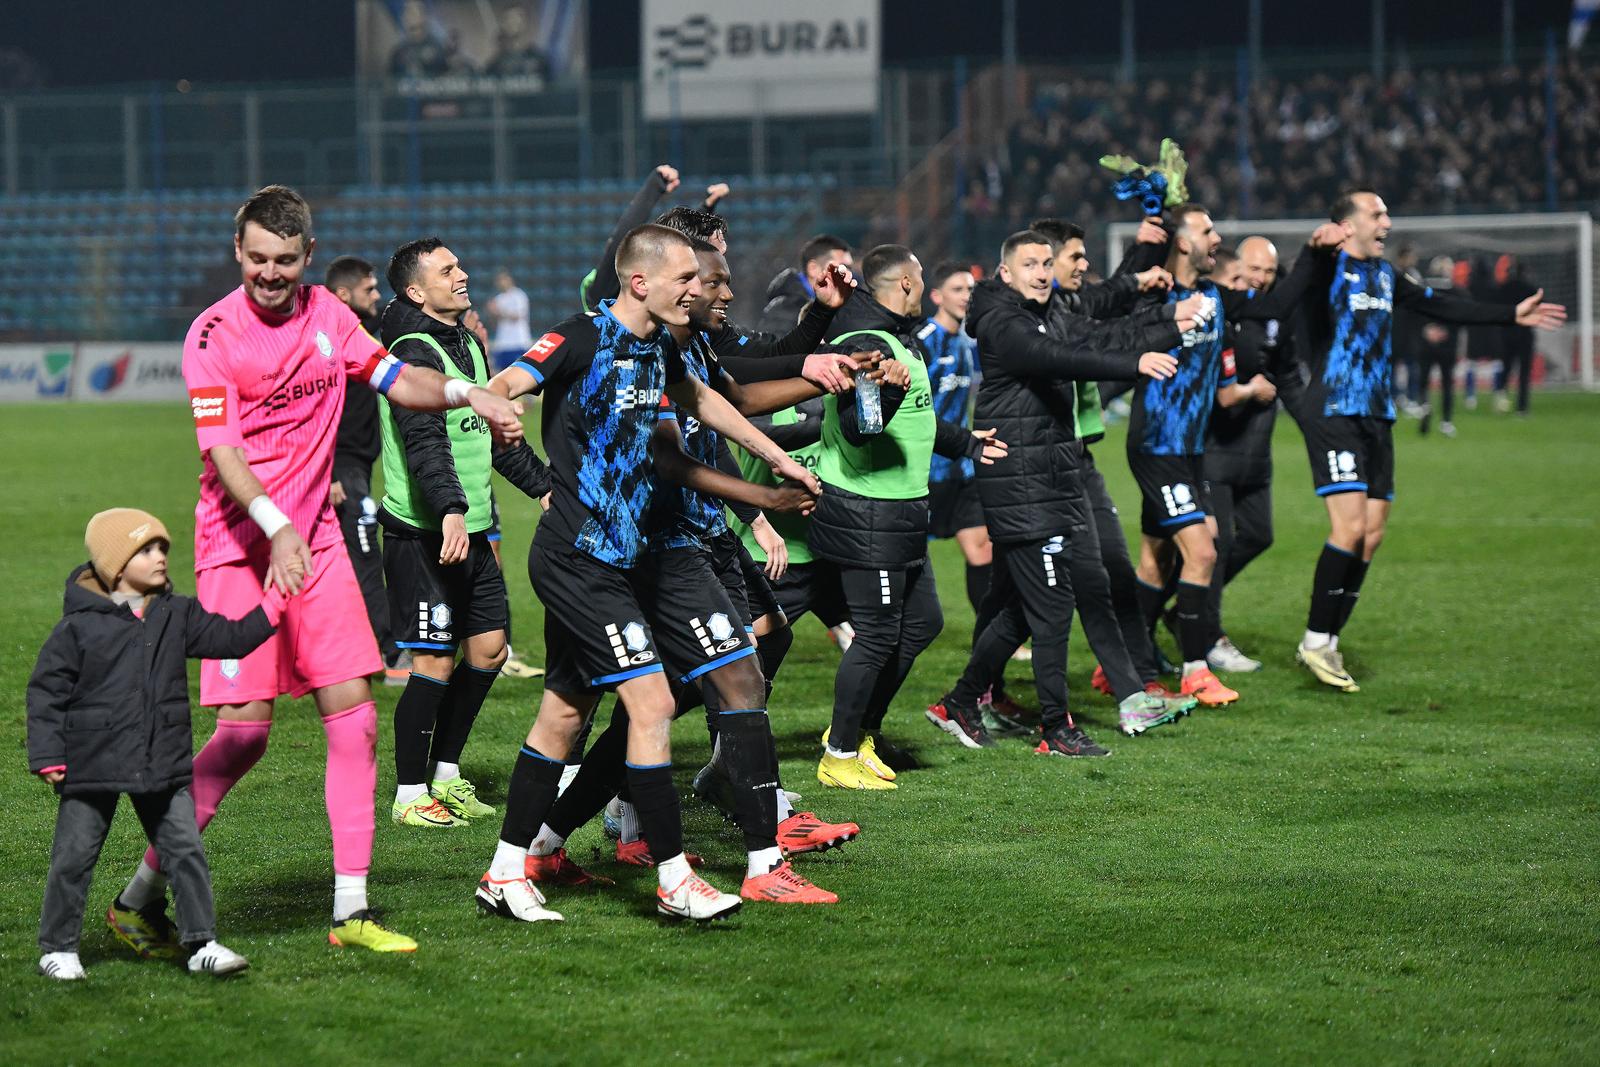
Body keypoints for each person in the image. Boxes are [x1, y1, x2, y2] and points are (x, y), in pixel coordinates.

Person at [110, 185, 525, 956]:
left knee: (355, 715)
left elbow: (399, 379)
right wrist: (275, 527)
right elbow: (223, 453)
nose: (268, 274)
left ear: (306, 258)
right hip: (241, 549)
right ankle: (139, 894)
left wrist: (472, 392)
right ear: (239, 252)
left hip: (319, 544)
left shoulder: (332, 318)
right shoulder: (210, 337)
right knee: (243, 736)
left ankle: (350, 912)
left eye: (283, 262)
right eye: (255, 259)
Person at [477, 224, 823, 923]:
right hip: (579, 559)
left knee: (563, 715)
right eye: (685, 279)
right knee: (655, 703)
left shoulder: (661, 346)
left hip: (621, 560)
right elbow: (514, 378)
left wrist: (777, 457)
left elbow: (702, 400)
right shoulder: (580, 336)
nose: (697, 290)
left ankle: (508, 867)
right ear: (639, 282)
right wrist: (497, 399)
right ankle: (671, 877)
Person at [1290, 190, 1565, 691]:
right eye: (1377, 214)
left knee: (1371, 535)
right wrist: (1314, 250)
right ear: (1347, 225)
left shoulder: (1386, 276)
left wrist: (1509, 315)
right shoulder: (1326, 272)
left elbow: (1442, 306)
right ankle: (1314, 640)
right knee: (1348, 529)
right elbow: (1293, 297)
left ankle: (1328, 637)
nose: (1387, 222)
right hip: (1333, 410)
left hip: (1377, 414)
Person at [927, 231, 1179, 757]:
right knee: (1053, 608)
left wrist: (1163, 325)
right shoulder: (1002, 321)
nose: (1042, 272)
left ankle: (962, 700)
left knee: (1024, 606)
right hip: (1021, 483)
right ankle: (1056, 729)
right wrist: (1135, 362)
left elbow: (1090, 336)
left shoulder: (1039, 311)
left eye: (1047, 263)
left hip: (1048, 478)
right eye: (1030, 264)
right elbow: (1054, 356)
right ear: (1005, 273)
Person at [29, 510, 279, 980]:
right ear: (116, 565)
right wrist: (48, 755)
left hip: (159, 758)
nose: (161, 556)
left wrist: (275, 604)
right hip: (92, 761)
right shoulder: (78, 627)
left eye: (162, 547)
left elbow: (232, 637)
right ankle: (57, 948)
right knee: (74, 857)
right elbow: (46, 693)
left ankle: (201, 943)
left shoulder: (176, 613)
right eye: (146, 549)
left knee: (185, 851)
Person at [1124, 204, 1333, 708]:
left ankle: (1123, 665)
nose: (1217, 236)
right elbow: (1107, 311)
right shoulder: (1152, 293)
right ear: (1180, 241)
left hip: (1191, 452)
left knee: (1156, 563)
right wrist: (1142, 246)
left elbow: (1277, 301)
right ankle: (1196, 669)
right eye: (1207, 229)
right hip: (1158, 444)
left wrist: (1312, 255)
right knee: (1205, 549)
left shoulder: (1216, 298)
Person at [810, 246, 1003, 788]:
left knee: (923, 623)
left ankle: (858, 732)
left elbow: (917, 416)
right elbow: (861, 427)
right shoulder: (864, 344)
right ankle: (840, 753)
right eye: (919, 280)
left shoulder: (898, 339)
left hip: (901, 512)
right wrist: (885, 389)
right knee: (875, 636)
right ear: (906, 285)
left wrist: (967, 443)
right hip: (869, 511)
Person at [377, 239, 552, 829]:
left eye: (459, 265)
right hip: (424, 531)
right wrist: (450, 507)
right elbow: (424, 440)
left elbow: (492, 435)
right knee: (433, 663)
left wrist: (544, 486)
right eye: (446, 270)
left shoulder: (470, 344)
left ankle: (446, 774)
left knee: (488, 650)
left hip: (469, 528)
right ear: (415, 291)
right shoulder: (411, 349)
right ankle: (407, 793)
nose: (462, 274)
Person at [1200, 236, 1305, 673]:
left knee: (1258, 535)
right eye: (1254, 270)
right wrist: (1247, 390)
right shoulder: (1225, 313)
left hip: (1256, 451)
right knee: (1216, 544)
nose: (1261, 279)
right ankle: (1207, 633)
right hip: (1215, 447)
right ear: (1236, 269)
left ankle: (1186, 608)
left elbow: (1289, 377)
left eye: (1268, 272)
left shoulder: (1275, 319)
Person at [324, 256, 401, 682]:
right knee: (365, 556)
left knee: (339, 563)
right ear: (343, 295)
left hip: (355, 466)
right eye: (369, 290)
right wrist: (329, 470)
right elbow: (316, 410)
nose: (376, 296)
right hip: (341, 469)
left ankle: (337, 655)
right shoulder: (329, 344)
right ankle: (392, 656)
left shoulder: (359, 337)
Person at [919, 262, 990, 618]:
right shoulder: (923, 343)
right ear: (936, 296)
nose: (966, 296)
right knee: (907, 557)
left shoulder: (967, 341)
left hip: (962, 466)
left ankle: (989, 634)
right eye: (958, 290)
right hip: (924, 471)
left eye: (970, 290)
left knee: (981, 549)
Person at [759, 234, 854, 334]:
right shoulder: (785, 311)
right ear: (813, 268)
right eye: (842, 267)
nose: (849, 274)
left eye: (850, 268)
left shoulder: (843, 306)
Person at [486, 271, 533, 372]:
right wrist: (492, 313)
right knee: (501, 373)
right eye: (499, 281)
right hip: (503, 343)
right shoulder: (499, 298)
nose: (501, 283)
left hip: (518, 342)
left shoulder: (519, 296)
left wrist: (499, 311)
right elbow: (494, 324)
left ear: (509, 280)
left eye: (503, 280)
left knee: (519, 373)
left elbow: (517, 316)